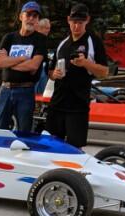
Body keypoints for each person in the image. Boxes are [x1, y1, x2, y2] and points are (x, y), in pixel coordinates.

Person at [46, 3, 109, 148]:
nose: (76, 26)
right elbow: (50, 71)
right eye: (74, 22)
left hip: (78, 106)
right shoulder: (62, 43)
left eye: (80, 23)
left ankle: (71, 172)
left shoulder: (93, 42)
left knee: (75, 149)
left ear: (87, 20)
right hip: (57, 104)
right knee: (51, 145)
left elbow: (104, 72)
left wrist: (86, 63)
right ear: (68, 20)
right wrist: (54, 74)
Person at [0, 2, 46, 131]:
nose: (31, 19)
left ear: (37, 20)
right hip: (5, 89)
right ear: (21, 16)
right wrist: (22, 59)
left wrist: (8, 62)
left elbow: (33, 66)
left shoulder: (40, 39)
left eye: (35, 16)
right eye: (28, 15)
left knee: (24, 132)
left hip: (26, 91)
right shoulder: (9, 38)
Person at [35, 18, 52, 94]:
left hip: (43, 68)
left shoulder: (43, 39)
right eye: (47, 28)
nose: (48, 30)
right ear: (40, 28)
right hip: (36, 69)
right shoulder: (35, 38)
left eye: (49, 28)